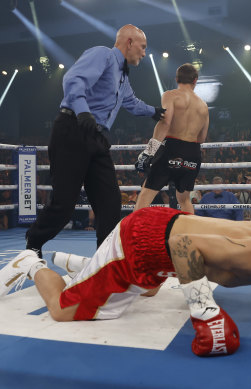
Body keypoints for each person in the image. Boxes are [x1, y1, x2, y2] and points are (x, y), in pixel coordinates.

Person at [0, 207, 251, 357]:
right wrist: (205, 312)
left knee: (149, 290)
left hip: (164, 231)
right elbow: (183, 247)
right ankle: (30, 262)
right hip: (139, 245)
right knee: (65, 309)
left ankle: (85, 265)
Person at [24, 24, 166, 258]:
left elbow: (130, 102)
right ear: (129, 42)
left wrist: (154, 112)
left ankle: (104, 258)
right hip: (74, 129)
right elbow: (73, 79)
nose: (143, 53)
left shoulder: (122, 75)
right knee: (64, 204)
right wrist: (82, 111)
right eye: (142, 47)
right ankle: (33, 242)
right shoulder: (103, 55)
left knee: (110, 202)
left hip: (98, 138)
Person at [134, 63, 209, 214]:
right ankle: (189, 235)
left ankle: (132, 235)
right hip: (192, 152)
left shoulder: (170, 95)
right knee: (184, 199)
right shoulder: (203, 106)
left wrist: (149, 152)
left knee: (146, 194)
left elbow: (165, 123)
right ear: (195, 80)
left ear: (176, 79)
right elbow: (201, 138)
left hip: (171, 148)